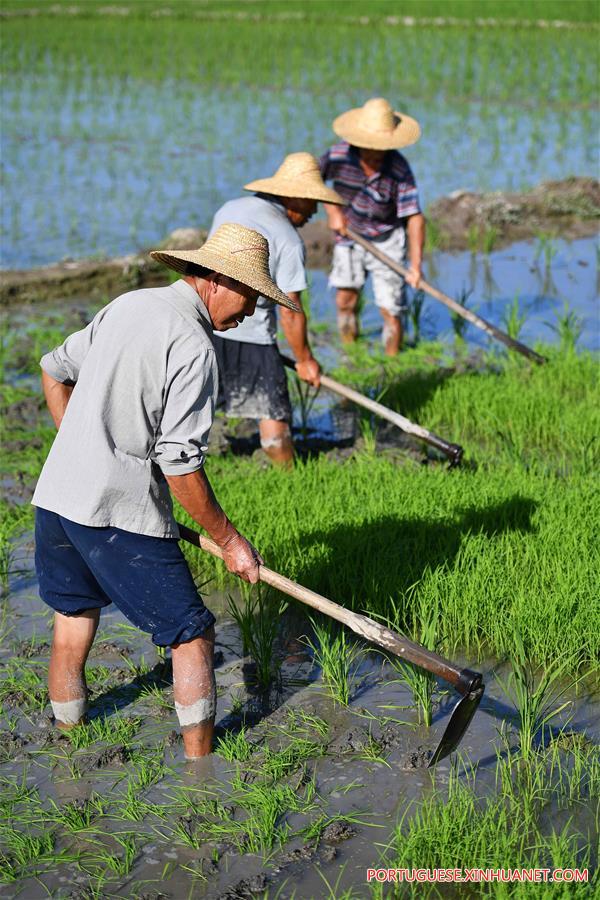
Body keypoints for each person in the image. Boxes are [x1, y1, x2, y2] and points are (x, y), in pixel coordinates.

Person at [32, 223, 298, 760]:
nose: (250, 312)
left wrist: (81, 447)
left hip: (56, 497)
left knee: (74, 615)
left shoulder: (129, 304)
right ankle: (202, 768)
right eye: (249, 296)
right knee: (192, 634)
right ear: (217, 281)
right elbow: (181, 467)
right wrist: (228, 540)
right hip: (113, 510)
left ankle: (68, 747)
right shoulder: (195, 346)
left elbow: (53, 370)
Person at [209, 152, 344, 465]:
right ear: (293, 198)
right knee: (273, 422)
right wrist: (306, 360)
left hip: (209, 326)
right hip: (252, 335)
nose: (315, 211)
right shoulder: (287, 239)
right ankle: (289, 478)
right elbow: (290, 309)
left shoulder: (230, 209)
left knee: (195, 407)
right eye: (312, 202)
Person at [319, 97, 426, 355]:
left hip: (386, 238)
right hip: (349, 235)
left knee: (390, 309)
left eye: (382, 147)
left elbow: (414, 217)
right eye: (371, 147)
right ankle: (350, 353)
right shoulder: (338, 155)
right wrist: (333, 211)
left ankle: (392, 362)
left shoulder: (399, 168)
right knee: (346, 300)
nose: (377, 153)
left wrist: (415, 266)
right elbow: (311, 180)